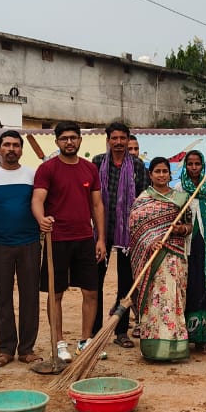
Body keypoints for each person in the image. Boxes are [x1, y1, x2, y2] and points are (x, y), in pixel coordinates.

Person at [32, 121, 106, 360]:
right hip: (58, 240)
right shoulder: (48, 169)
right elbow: (37, 199)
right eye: (64, 138)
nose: (69, 142)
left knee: (91, 292)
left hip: (85, 238)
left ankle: (85, 341)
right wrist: (41, 219)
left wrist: (101, 238)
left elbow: (97, 204)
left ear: (80, 140)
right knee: (56, 293)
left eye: (73, 137)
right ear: (57, 142)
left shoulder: (89, 169)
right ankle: (59, 343)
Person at [0, 131, 42, 367]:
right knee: (3, 297)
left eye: (16, 145)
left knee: (30, 297)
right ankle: (6, 349)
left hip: (29, 244)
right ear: (0, 149)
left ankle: (27, 349)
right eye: (6, 145)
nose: (11, 149)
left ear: (21, 150)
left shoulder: (32, 175)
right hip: (0, 245)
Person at [129, 157, 194, 361]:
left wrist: (180, 229)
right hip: (153, 259)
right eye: (157, 171)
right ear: (150, 174)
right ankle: (152, 349)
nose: (161, 175)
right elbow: (135, 230)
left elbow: (189, 225)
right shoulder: (142, 200)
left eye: (165, 171)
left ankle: (175, 349)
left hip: (174, 257)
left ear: (170, 173)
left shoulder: (182, 199)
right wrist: (150, 242)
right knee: (154, 303)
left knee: (174, 300)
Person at [90, 122, 147, 349]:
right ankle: (94, 330)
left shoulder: (138, 166)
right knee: (96, 281)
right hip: (101, 231)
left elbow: (142, 198)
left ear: (128, 139)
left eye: (123, 138)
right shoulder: (96, 163)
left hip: (128, 233)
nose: (119, 142)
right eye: (114, 138)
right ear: (108, 140)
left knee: (126, 283)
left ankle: (121, 331)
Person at [180, 150, 206, 353]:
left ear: (202, 165)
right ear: (185, 166)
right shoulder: (180, 189)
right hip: (186, 246)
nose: (194, 168)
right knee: (188, 287)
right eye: (190, 164)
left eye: (197, 164)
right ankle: (185, 335)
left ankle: (202, 337)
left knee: (204, 287)